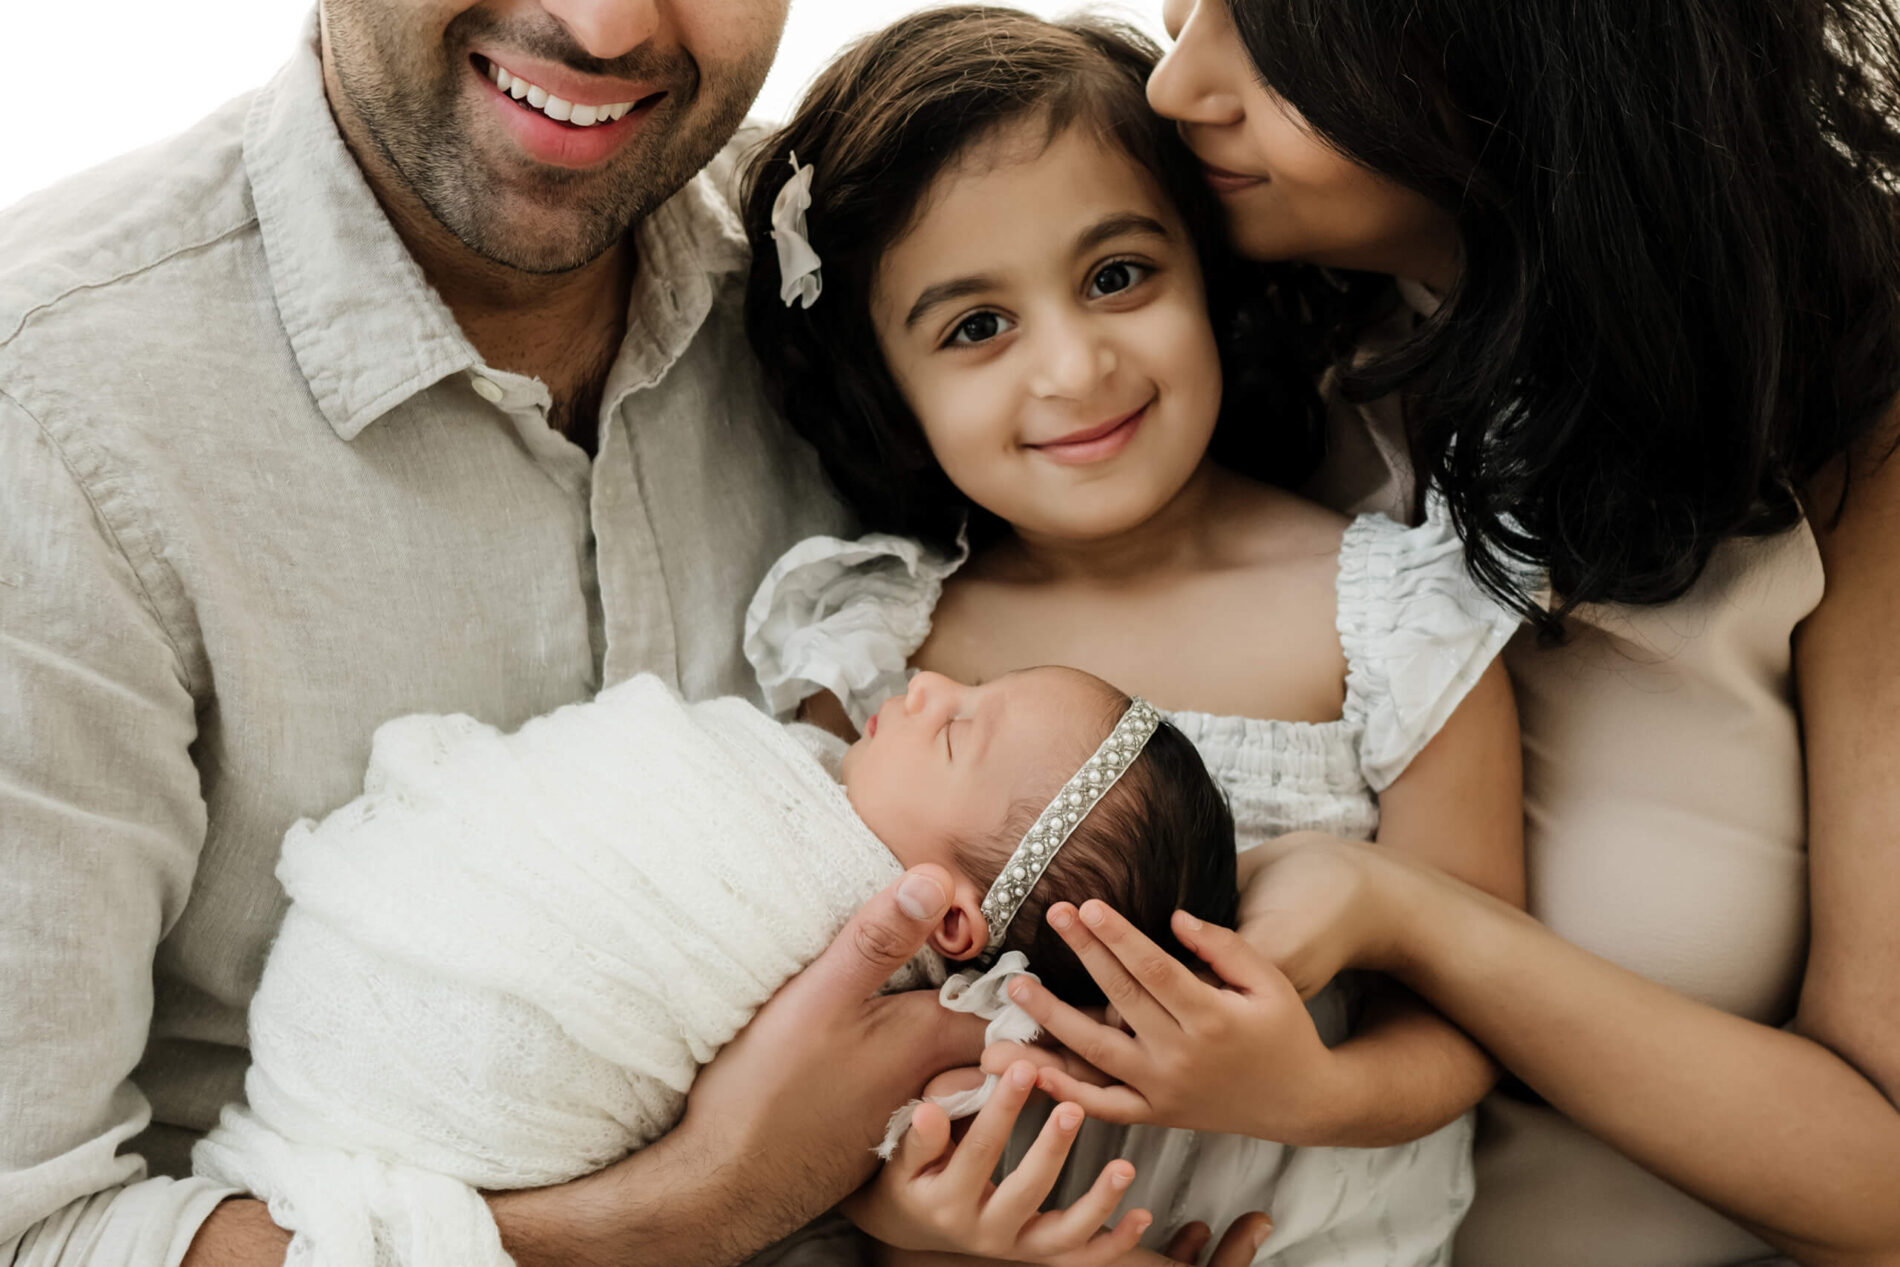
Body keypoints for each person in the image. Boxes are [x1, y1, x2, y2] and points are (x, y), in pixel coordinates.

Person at [0, 0, 1006, 1262]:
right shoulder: (45, 414)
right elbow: (31, 1232)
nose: (603, 27)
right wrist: (693, 1207)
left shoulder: (873, 264)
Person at [989, 0, 1900, 1263]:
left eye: (1274, 40)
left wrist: (1413, 915)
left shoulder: (1858, 426)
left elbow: (1885, 1179)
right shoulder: (1177, 376)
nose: (1177, 83)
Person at [735, 9, 1525, 1263]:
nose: (1071, 365)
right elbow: (798, 1033)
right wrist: (901, 1210)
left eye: (1116, 275)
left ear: (1208, 272)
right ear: (886, 383)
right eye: (974, 327)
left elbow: (1477, 1012)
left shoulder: (1391, 617)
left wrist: (1306, 1094)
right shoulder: (885, 657)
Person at [186, 667, 1234, 1267]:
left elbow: (875, 1175)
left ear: (953, 923)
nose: (924, 682)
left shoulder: (931, 1036)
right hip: (410, 953)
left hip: (423, 1071)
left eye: (956, 727)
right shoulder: (772, 780)